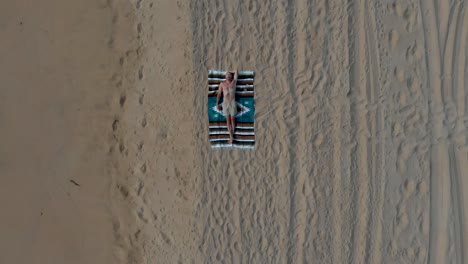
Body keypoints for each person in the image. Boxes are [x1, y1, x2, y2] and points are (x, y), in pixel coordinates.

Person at [216, 69, 238, 144]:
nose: (228, 76)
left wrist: (232, 71)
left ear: (231, 76)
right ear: (225, 76)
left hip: (232, 102)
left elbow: (236, 71)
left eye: (230, 75)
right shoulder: (222, 84)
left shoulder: (234, 82)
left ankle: (231, 137)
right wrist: (217, 103)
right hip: (225, 103)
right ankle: (231, 136)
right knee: (228, 120)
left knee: (233, 120)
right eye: (227, 75)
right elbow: (219, 94)